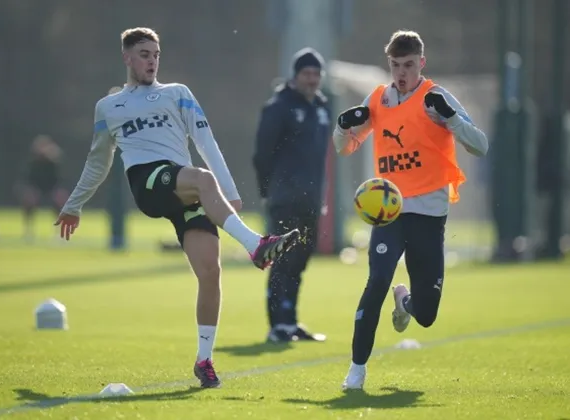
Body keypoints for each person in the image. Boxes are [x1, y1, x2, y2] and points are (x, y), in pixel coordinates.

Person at [55, 27, 300, 388]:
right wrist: (74, 204)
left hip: (183, 189)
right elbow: (97, 162)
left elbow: (206, 141)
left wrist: (228, 193)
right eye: (143, 53)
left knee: (210, 273)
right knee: (200, 179)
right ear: (126, 57)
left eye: (155, 54)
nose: (151, 60)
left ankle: (204, 361)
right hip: (149, 182)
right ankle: (255, 245)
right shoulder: (109, 107)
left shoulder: (178, 94)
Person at [332, 30, 489, 390]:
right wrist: (343, 127)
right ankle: (356, 371)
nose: (401, 73)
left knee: (428, 315)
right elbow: (344, 148)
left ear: (422, 63)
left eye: (408, 65)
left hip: (429, 215)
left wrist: (451, 120)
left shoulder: (436, 98)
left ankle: (405, 301)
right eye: (394, 65)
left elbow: (479, 145)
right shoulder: (378, 100)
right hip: (390, 213)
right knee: (376, 281)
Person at [253, 48, 330, 343]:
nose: (311, 80)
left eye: (315, 74)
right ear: (295, 76)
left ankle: (291, 320)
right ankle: (278, 326)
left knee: (300, 261)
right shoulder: (279, 106)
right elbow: (262, 154)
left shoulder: (322, 108)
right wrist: (267, 191)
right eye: (306, 74)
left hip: (311, 200)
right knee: (282, 261)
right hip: (284, 199)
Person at [17, 134, 69, 242]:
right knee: (28, 199)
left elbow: (60, 181)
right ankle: (28, 232)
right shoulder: (33, 163)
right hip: (36, 189)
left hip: (52, 189)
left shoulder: (54, 163)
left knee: (60, 200)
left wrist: (59, 193)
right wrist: (29, 192)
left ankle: (59, 232)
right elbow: (27, 180)